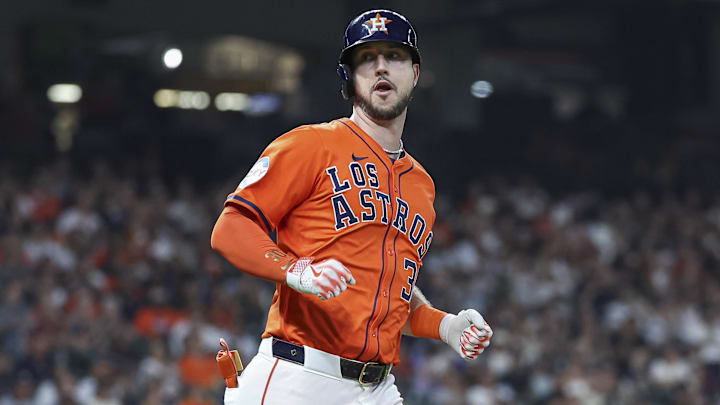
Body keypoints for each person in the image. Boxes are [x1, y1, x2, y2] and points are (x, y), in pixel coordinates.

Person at [211, 9, 493, 405]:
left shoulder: (422, 185)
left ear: (415, 73)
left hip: (376, 389)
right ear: (349, 77)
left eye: (393, 56)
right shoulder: (311, 144)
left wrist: (444, 325)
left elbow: (389, 297)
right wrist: (295, 269)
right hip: (298, 376)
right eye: (366, 58)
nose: (380, 67)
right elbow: (230, 228)